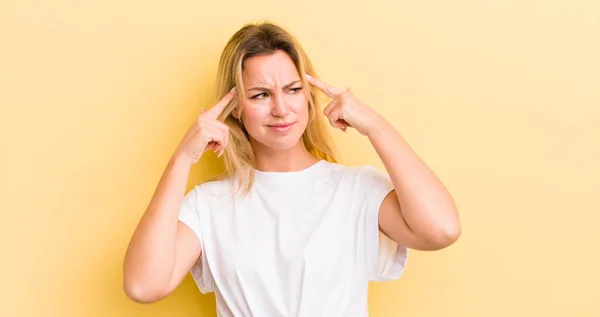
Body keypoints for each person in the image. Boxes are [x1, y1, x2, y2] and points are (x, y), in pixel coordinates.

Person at [123, 21, 461, 316]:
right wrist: (182, 159)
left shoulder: (356, 190)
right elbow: (142, 285)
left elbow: (441, 230)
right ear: (235, 107)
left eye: (293, 89)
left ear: (310, 95)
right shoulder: (209, 204)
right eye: (260, 95)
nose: (281, 109)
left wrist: (375, 126)